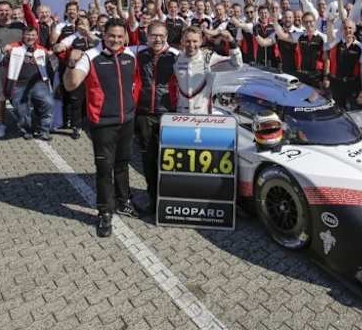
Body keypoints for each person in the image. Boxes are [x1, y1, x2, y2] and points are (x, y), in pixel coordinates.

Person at [64, 18, 142, 238]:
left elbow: (134, 84)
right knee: (104, 169)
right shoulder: (91, 56)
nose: (116, 40)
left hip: (127, 120)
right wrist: (71, 63)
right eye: (111, 36)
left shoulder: (131, 55)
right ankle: (104, 212)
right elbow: (71, 85)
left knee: (122, 164)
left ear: (124, 37)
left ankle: (124, 201)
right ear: (104, 35)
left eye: (119, 36)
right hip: (102, 124)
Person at [132, 22, 178, 217]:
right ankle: (153, 199)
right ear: (147, 36)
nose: (157, 39)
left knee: (169, 159)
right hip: (143, 114)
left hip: (168, 114)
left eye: (161, 35)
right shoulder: (139, 54)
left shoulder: (176, 56)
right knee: (148, 159)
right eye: (153, 35)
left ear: (166, 35)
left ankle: (170, 199)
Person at [1, 27, 56, 140]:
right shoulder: (13, 48)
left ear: (36, 37)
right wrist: (2, 51)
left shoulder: (42, 50)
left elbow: (51, 68)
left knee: (48, 104)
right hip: (19, 84)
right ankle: (27, 129)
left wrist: (53, 58)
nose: (30, 37)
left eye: (33, 35)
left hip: (38, 84)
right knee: (21, 110)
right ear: (23, 35)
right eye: (27, 35)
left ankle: (44, 130)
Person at [0, 0, 27, 138]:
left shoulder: (20, 26)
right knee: (0, 98)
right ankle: (1, 124)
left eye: (6, 10)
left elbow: (27, 42)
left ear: (11, 11)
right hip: (0, 68)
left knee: (20, 97)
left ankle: (23, 123)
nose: (4, 13)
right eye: (1, 10)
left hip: (18, 68)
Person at [173, 27, 242, 114]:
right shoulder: (176, 59)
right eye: (187, 41)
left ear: (201, 41)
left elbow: (236, 64)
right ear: (182, 41)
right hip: (181, 114)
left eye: (195, 41)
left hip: (203, 114)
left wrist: (232, 42)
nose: (191, 45)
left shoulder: (208, 57)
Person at [324, 18, 362, 109]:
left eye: (350, 28)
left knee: (353, 112)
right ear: (342, 30)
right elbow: (329, 36)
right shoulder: (335, 43)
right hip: (336, 83)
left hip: (352, 84)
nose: (348, 30)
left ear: (354, 29)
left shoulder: (361, 47)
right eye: (345, 28)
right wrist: (330, 23)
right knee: (337, 111)